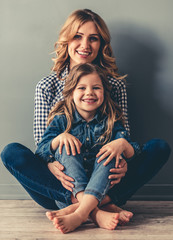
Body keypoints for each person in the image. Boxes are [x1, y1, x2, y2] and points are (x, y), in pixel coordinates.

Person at [1, 8, 171, 230]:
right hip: (63, 183)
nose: (85, 45)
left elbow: (122, 138)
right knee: (11, 152)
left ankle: (81, 209)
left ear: (102, 44)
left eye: (93, 38)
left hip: (107, 176)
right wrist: (52, 164)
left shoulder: (115, 85)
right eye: (77, 36)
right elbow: (41, 147)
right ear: (67, 40)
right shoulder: (47, 86)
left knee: (159, 147)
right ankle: (95, 208)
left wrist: (124, 152)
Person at [36, 63, 141, 233]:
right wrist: (58, 139)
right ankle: (96, 211)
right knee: (65, 146)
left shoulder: (111, 121)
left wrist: (121, 144)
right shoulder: (61, 120)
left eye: (96, 88)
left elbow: (134, 152)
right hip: (69, 193)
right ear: (71, 93)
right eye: (82, 88)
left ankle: (78, 213)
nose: (89, 93)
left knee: (110, 153)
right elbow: (40, 152)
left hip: (101, 186)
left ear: (104, 93)